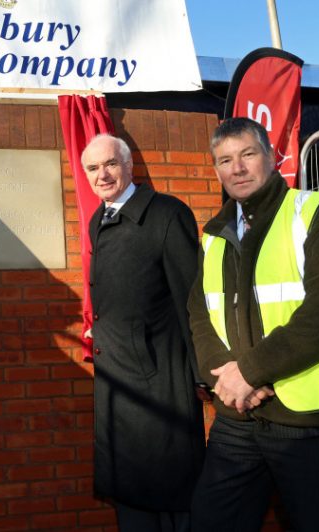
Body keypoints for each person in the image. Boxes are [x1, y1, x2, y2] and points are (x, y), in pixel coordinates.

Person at [189, 117, 319, 532]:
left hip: (311, 421)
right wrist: (229, 380)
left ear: (271, 157)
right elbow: (199, 315)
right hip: (239, 418)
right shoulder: (213, 237)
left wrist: (250, 372)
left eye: (248, 154)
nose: (236, 168)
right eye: (224, 160)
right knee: (211, 521)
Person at [81, 134, 206, 532]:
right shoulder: (98, 220)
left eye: (110, 164)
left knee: (172, 497)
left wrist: (205, 373)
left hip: (161, 387)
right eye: (92, 168)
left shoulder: (167, 215)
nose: (102, 175)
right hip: (117, 384)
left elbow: (193, 301)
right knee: (131, 501)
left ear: (128, 165)